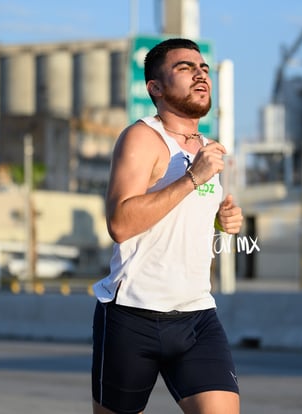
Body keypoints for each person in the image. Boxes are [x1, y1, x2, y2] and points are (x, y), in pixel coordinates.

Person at [91, 38, 243, 414]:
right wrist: (192, 177)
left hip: (196, 315)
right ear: (154, 88)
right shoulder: (142, 138)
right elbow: (121, 224)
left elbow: (178, 218)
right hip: (133, 314)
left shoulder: (208, 147)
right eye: (185, 68)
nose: (200, 74)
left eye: (203, 68)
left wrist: (222, 223)